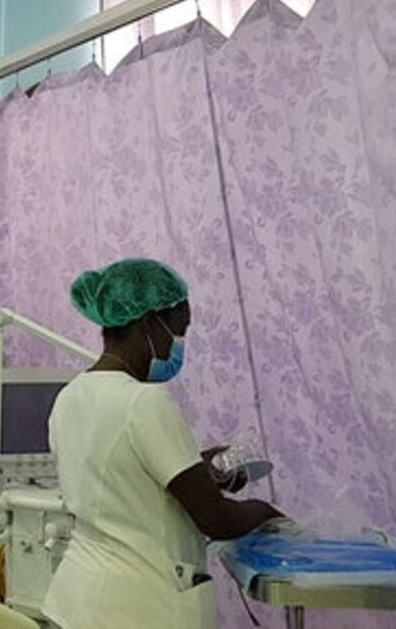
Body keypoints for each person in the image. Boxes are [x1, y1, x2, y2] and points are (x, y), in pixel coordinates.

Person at [42, 258, 283, 629]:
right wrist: (265, 513)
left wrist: (203, 469)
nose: (181, 342)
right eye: (179, 329)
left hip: (77, 600)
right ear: (147, 323)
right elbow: (216, 519)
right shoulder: (145, 402)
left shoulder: (70, 397)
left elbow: (120, 478)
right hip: (138, 609)